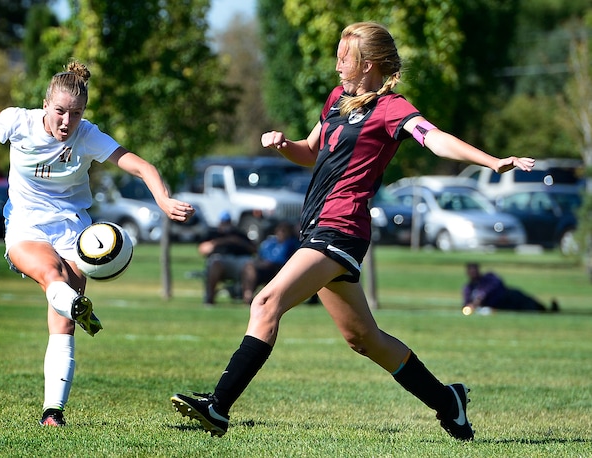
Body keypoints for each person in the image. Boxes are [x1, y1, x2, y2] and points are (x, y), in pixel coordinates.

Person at [171, 22, 537, 442]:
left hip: (342, 229)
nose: (337, 64)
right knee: (364, 338)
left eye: (345, 57)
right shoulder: (337, 100)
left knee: (266, 301)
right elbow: (311, 151)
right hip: (318, 226)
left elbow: (433, 139)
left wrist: (491, 161)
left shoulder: (393, 108)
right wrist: (283, 144)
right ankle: (447, 400)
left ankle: (218, 407)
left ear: (369, 64)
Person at [0, 60, 194, 427]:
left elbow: (139, 165)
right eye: (59, 111)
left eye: (75, 114)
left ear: (83, 114)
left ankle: (52, 413)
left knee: (64, 324)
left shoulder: (88, 135)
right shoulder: (20, 122)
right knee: (51, 275)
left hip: (75, 230)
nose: (66, 121)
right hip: (26, 224)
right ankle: (75, 303)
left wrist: (164, 200)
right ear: (45, 105)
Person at [199, 210, 256, 306]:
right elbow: (202, 250)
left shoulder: (238, 234)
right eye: (224, 222)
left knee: (249, 265)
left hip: (238, 260)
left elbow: (254, 249)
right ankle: (209, 298)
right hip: (220, 260)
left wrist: (238, 242)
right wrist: (221, 241)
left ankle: (248, 298)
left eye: (227, 222)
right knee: (215, 263)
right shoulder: (213, 234)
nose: (226, 225)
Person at [462, 262, 558, 315]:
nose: (473, 272)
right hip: (499, 306)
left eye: (474, 269)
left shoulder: (489, 277)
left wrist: (481, 296)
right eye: (470, 270)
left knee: (528, 302)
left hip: (507, 296)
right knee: (525, 310)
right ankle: (546, 311)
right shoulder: (468, 288)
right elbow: (466, 304)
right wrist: (471, 305)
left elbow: (497, 284)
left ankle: (547, 310)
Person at [240, 221, 299, 304]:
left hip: (278, 270)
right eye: (279, 230)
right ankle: (248, 295)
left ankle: (249, 296)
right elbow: (260, 255)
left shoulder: (291, 243)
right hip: (263, 268)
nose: (281, 233)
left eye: (284, 230)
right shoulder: (269, 243)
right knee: (249, 267)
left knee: (252, 267)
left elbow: (282, 259)